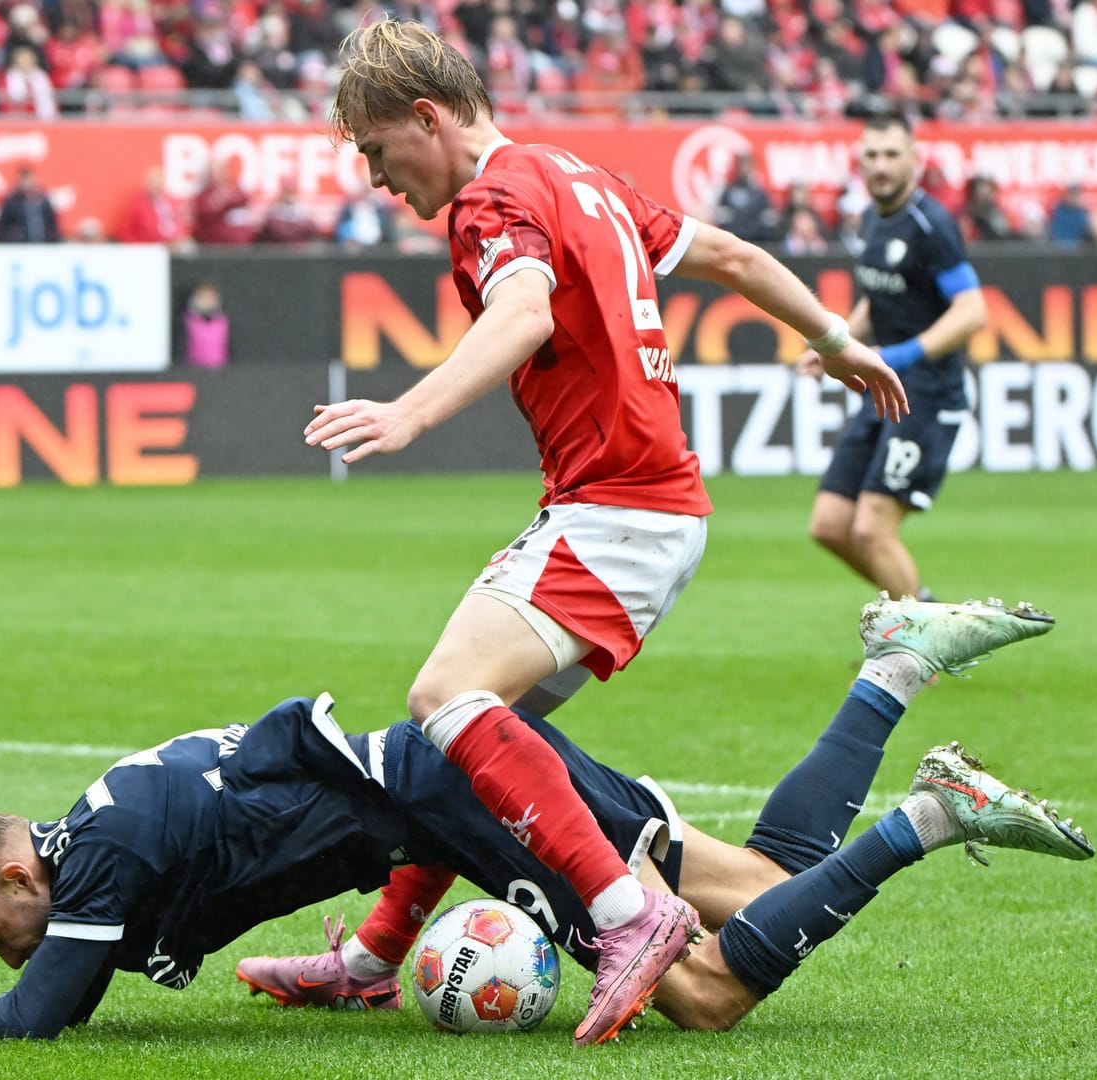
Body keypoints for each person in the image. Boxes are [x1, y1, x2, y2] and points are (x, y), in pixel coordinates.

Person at [299, 18, 906, 1047]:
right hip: (647, 508)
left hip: (617, 509)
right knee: (459, 750)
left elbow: (524, 312)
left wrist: (410, 412)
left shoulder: (491, 199)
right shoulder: (573, 173)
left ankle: (632, 920)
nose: (374, 178)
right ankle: (373, 956)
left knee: (445, 699)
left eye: (373, 150)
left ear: (426, 117)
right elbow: (727, 252)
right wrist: (836, 336)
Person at [0, 598, 1089, 1041]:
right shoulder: (102, 832)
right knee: (767, 880)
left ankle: (926, 815)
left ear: (14, 867)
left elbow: (46, 1012)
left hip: (468, 794)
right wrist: (371, 960)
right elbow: (344, 817)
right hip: (449, 798)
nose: (5, 951)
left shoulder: (92, 855)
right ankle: (895, 669)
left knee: (704, 995)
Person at [797, 114, 987, 603]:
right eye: (872, 156)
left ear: (915, 161)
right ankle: (924, 615)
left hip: (927, 395)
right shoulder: (875, 221)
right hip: (885, 390)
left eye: (891, 155)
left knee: (872, 529)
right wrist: (833, 346)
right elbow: (875, 303)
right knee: (830, 525)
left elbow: (971, 311)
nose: (880, 166)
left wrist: (899, 355)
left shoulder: (932, 226)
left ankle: (916, 654)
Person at [0, 168, 62, 243]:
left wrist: (49, 237)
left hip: (43, 245)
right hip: (20, 247)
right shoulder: (11, 203)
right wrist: (14, 237)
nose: (27, 184)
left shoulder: (44, 201)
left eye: (29, 180)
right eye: (25, 181)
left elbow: (53, 225)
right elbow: (0, 229)